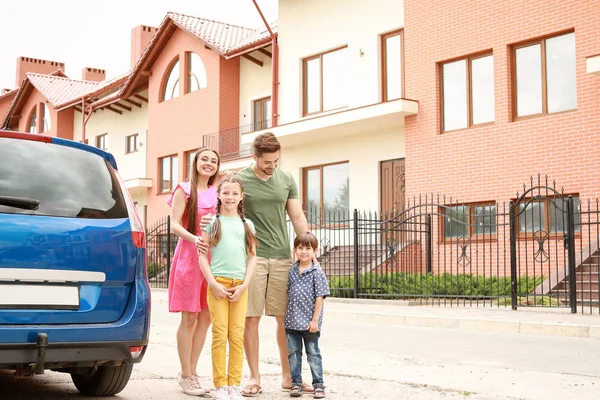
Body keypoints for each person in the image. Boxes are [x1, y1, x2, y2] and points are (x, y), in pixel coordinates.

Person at [236, 132, 310, 397]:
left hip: (281, 256)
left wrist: (309, 247)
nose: (272, 166)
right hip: (252, 257)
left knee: (284, 320)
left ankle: (289, 376)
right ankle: (254, 377)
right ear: (255, 157)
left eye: (276, 161)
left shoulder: (287, 179)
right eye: (267, 162)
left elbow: (297, 216)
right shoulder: (240, 180)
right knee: (251, 318)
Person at [198, 174, 258, 400]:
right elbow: (202, 258)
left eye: (235, 193)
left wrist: (244, 286)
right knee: (220, 334)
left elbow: (253, 257)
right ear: (219, 195)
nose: (230, 197)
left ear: (241, 197)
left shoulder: (247, 224)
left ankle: (234, 384)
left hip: (239, 287)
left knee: (236, 334)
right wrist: (213, 283)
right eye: (226, 193)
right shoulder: (212, 223)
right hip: (218, 285)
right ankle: (220, 386)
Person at [167, 148, 220, 397]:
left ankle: (193, 372)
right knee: (189, 318)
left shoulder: (218, 192)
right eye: (204, 159)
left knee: (206, 317)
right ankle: (185, 374)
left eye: (213, 161)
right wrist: (195, 238)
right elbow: (174, 224)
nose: (208, 163)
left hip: (213, 260)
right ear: (196, 163)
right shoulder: (184, 189)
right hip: (190, 257)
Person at [284, 233, 329, 399]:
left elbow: (320, 298)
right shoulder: (292, 271)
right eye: (300, 248)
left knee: (313, 354)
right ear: (295, 250)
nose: (303, 252)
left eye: (307, 248)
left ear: (314, 251)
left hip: (310, 323)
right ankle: (296, 383)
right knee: (294, 354)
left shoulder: (317, 272)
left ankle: (318, 384)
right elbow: (289, 293)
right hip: (292, 322)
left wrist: (315, 320)